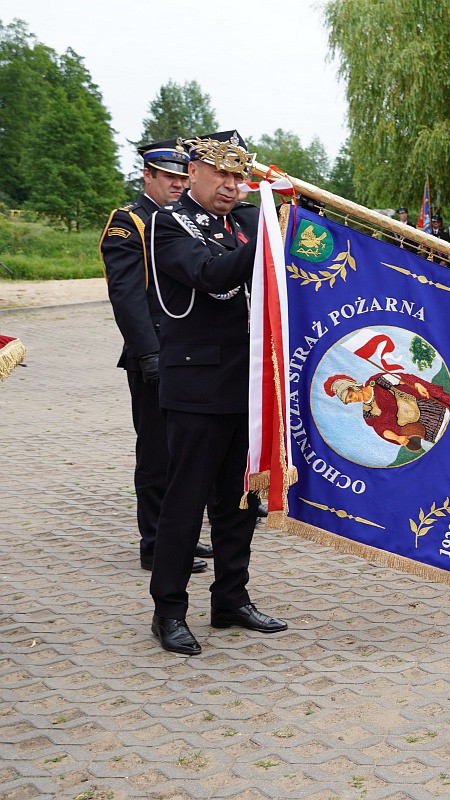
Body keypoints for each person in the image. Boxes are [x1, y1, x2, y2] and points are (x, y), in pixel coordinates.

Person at [147, 130, 287, 656]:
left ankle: (230, 598)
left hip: (248, 386)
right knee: (184, 505)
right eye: (222, 173)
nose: (231, 185)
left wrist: (290, 211)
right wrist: (271, 237)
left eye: (239, 175)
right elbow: (208, 274)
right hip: (197, 390)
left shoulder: (251, 221)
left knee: (240, 502)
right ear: (194, 174)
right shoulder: (168, 223)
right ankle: (168, 611)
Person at [100, 138, 210, 576]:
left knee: (186, 452)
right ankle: (154, 543)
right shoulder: (130, 223)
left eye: (184, 178)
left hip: (189, 354)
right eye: (170, 178)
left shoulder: (185, 220)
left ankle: (177, 536)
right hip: (155, 354)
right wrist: (148, 354)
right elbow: (126, 295)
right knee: (156, 453)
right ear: (147, 175)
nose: (178, 186)